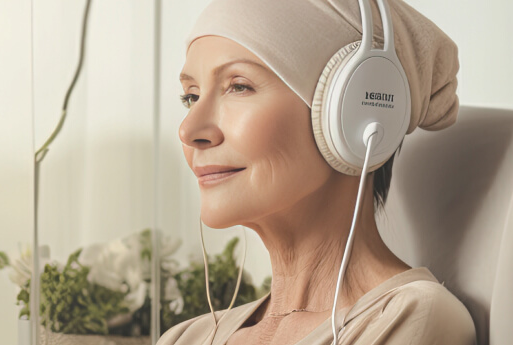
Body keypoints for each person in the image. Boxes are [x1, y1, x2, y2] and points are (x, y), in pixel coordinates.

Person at [158, 0, 476, 344]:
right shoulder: (187, 336)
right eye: (191, 96)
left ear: (353, 113)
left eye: (239, 86)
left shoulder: (408, 319)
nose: (189, 130)